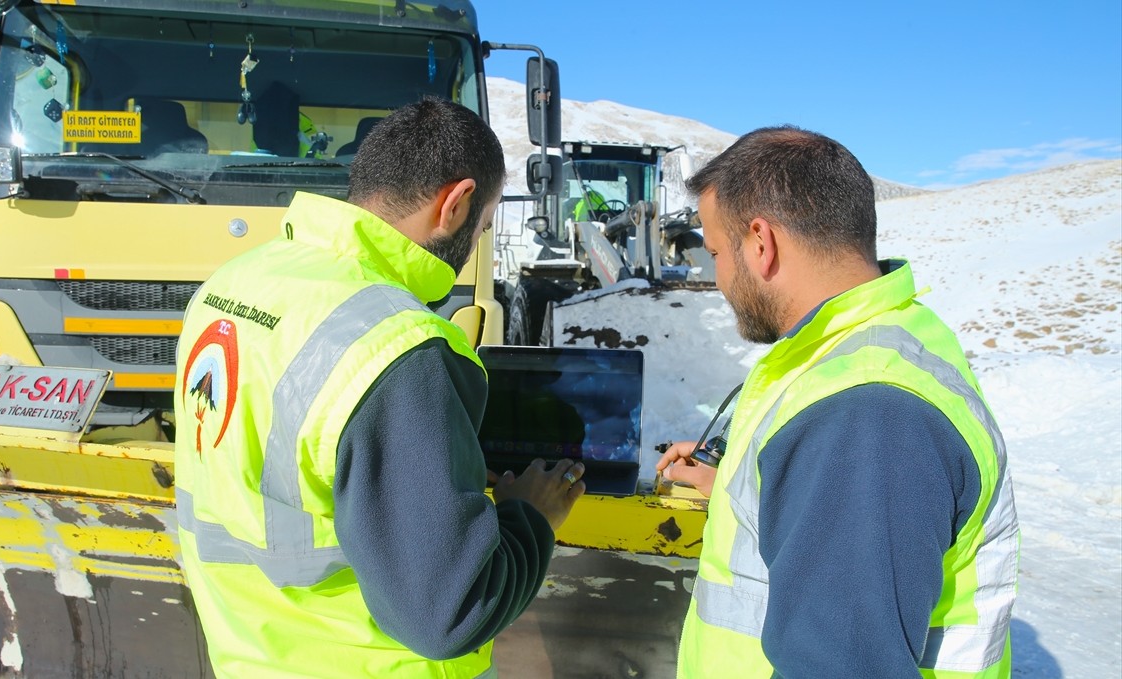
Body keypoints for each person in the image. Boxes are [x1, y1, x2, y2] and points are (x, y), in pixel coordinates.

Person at [174, 97, 587, 678]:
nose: (478, 239)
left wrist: (431, 472)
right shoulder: (397, 346)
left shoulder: (233, 282)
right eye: (486, 222)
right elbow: (448, 614)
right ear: (456, 202)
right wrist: (530, 516)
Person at [655, 126, 1020, 678]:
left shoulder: (864, 414)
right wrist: (741, 489)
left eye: (715, 252)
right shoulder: (880, 344)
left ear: (760, 242)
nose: (720, 278)